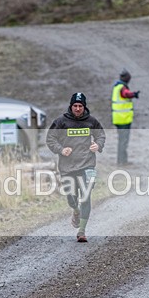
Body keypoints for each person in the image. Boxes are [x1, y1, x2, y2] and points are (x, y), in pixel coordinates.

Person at [46, 92, 106, 242]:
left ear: (84, 107)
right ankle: (75, 210)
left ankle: (82, 231)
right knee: (71, 196)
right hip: (68, 167)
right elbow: (50, 138)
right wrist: (61, 149)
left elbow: (101, 135)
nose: (78, 109)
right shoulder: (61, 122)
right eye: (75, 106)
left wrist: (97, 145)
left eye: (80, 106)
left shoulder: (92, 121)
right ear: (71, 106)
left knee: (86, 196)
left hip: (88, 165)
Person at [111, 69, 139, 165]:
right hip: (123, 119)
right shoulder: (122, 87)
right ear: (125, 78)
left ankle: (121, 160)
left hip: (118, 118)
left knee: (121, 140)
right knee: (123, 141)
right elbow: (126, 94)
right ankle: (122, 161)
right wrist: (134, 94)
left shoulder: (117, 87)